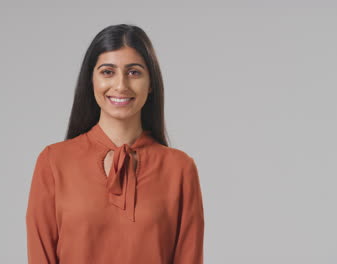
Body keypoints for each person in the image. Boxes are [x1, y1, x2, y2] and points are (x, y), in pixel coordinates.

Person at [26, 23, 205, 264]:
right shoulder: (53, 162)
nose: (121, 85)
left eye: (134, 72)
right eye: (107, 72)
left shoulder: (180, 169)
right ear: (91, 80)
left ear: (151, 83)